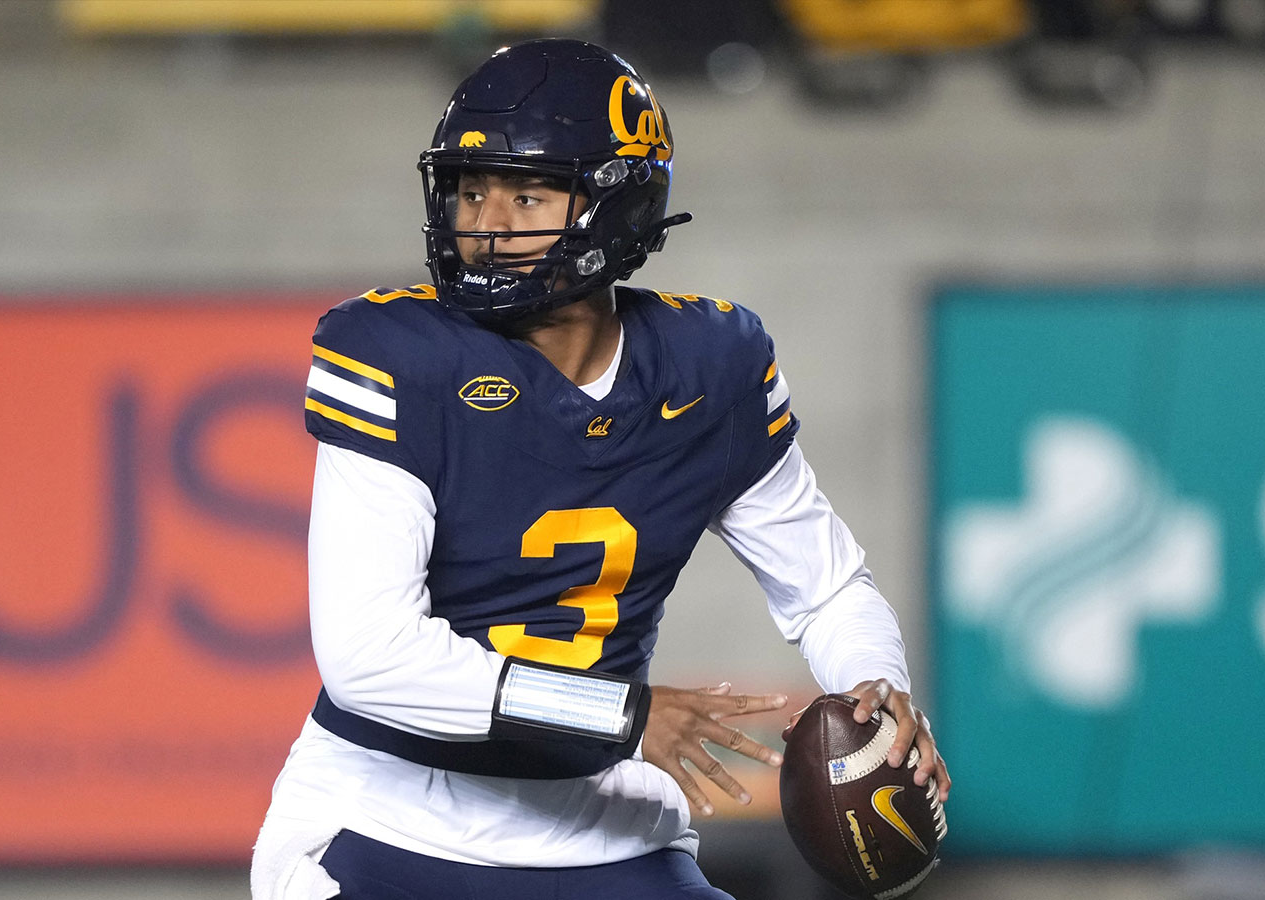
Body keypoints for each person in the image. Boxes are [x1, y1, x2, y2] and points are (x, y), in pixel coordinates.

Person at [253, 39, 949, 899]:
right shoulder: (399, 355)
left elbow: (828, 588)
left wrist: (879, 694)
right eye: (471, 190)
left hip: (602, 829)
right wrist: (624, 715)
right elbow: (370, 657)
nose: (488, 223)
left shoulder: (709, 363)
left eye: (528, 192)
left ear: (619, 207)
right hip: (388, 816)